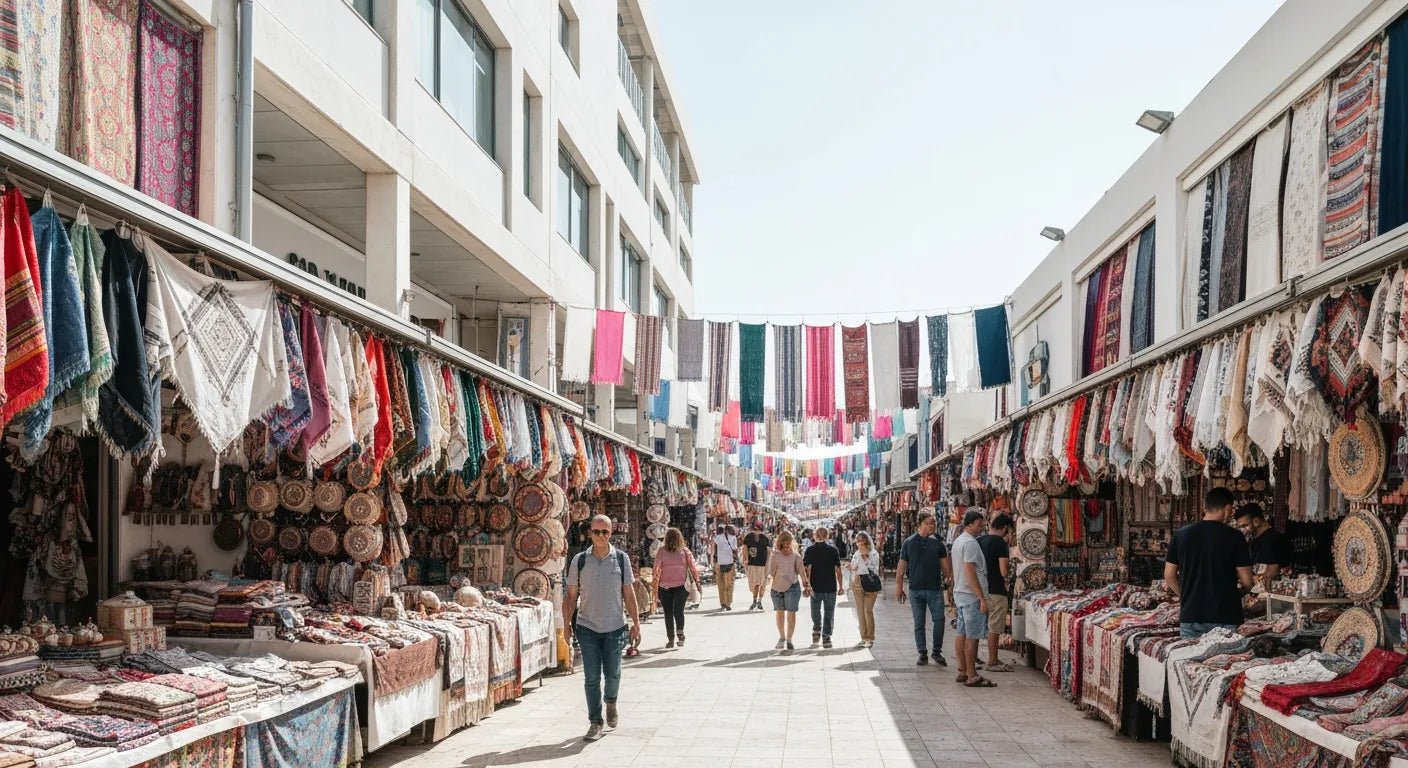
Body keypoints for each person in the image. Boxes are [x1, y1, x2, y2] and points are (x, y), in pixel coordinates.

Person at [564, 515, 642, 741]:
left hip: (615, 627)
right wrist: (566, 625)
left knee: (613, 674)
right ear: (590, 533)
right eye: (596, 532)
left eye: (605, 532)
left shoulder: (621, 559)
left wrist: (636, 623)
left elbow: (629, 593)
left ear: (611, 533)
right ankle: (595, 722)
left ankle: (611, 702)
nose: (600, 536)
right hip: (587, 627)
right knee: (591, 677)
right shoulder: (579, 560)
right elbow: (571, 596)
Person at [1165, 488, 1255, 639]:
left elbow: (1169, 575)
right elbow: (1247, 581)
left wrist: (1185, 595)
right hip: (1226, 615)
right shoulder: (1235, 537)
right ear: (1227, 508)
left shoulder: (1181, 535)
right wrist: (1239, 593)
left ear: (1205, 507)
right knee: (1226, 655)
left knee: (1189, 654)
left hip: (1191, 616)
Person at [895, 512, 954, 667]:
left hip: (935, 589)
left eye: (933, 523)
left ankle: (936, 651)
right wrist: (899, 587)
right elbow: (901, 568)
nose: (931, 526)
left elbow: (946, 568)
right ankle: (922, 652)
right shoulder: (909, 543)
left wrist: (949, 580)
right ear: (919, 524)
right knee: (919, 623)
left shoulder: (938, 544)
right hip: (915, 590)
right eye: (928, 523)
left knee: (939, 620)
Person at [950, 508, 994, 688]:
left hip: (961, 593)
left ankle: (962, 670)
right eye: (979, 524)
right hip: (970, 595)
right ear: (971, 524)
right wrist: (981, 598)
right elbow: (970, 571)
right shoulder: (970, 543)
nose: (981, 527)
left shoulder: (959, 541)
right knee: (972, 636)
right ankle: (972, 675)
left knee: (962, 632)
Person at [977, 513, 1014, 673]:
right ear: (1005, 528)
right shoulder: (1000, 543)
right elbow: (1003, 571)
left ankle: (973, 658)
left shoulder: (979, 541)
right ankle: (993, 661)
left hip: (980, 590)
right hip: (996, 590)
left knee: (978, 626)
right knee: (994, 627)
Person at [653, 527, 699, 649]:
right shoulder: (685, 551)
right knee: (678, 611)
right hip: (681, 587)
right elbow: (693, 568)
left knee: (668, 613)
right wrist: (697, 582)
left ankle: (671, 639)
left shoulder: (661, 551)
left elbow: (656, 569)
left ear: (666, 538)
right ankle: (680, 633)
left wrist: (654, 583)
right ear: (680, 538)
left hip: (664, 587)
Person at [1234, 503, 1292, 590]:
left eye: (1244, 526)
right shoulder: (1252, 541)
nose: (1243, 530)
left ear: (1256, 521)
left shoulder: (1275, 539)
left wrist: (1248, 580)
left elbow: (1272, 572)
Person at [803, 526, 843, 648]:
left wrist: (806, 584)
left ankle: (816, 629)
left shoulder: (810, 550)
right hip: (830, 586)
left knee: (815, 611)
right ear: (827, 536)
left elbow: (805, 569)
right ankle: (826, 636)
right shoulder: (833, 550)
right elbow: (838, 569)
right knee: (829, 613)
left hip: (815, 586)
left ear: (814, 536)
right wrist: (841, 586)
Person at [767, 530, 806, 651]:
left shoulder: (796, 556)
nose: (786, 545)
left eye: (788, 542)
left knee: (791, 613)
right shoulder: (775, 556)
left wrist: (806, 585)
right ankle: (782, 637)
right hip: (777, 588)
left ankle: (789, 639)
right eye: (783, 543)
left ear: (792, 542)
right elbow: (771, 573)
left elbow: (802, 572)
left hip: (792, 587)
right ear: (780, 543)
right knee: (780, 613)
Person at [847, 531, 883, 648]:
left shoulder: (873, 553)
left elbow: (873, 568)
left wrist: (865, 558)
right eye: (857, 541)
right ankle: (864, 637)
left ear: (866, 541)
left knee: (868, 610)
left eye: (861, 541)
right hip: (857, 582)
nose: (859, 543)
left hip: (870, 583)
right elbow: (853, 566)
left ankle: (870, 637)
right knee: (860, 611)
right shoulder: (856, 553)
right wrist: (852, 566)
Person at [743, 521, 771, 610]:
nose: (756, 531)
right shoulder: (748, 537)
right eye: (755, 529)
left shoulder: (765, 539)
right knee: (753, 584)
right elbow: (744, 549)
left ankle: (759, 601)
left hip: (762, 564)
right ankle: (755, 600)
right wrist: (745, 560)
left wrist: (768, 564)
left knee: (761, 583)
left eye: (758, 529)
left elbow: (769, 552)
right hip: (751, 564)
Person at [712, 525, 740, 610]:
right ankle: (728, 603)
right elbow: (735, 550)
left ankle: (723, 602)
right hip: (729, 563)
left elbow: (715, 549)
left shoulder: (718, 537)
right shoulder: (733, 538)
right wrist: (737, 559)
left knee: (721, 584)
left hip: (719, 563)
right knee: (729, 584)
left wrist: (714, 561)